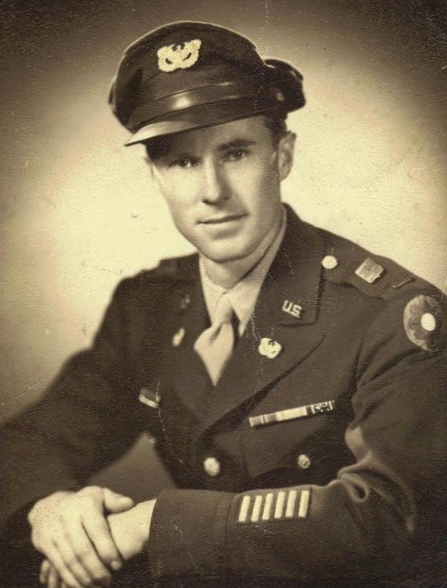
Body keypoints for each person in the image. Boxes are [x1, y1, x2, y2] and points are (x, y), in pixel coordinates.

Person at [0, 20, 446, 588]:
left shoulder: (388, 313)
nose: (212, 191)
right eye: (182, 162)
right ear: (155, 176)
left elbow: (389, 512)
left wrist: (158, 524)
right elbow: (35, 440)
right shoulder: (148, 306)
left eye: (235, 152)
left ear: (282, 157)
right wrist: (51, 511)